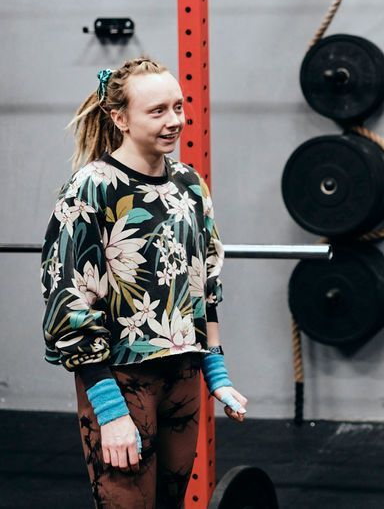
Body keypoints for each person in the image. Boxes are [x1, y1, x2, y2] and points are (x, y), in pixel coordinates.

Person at [40, 56, 248, 508]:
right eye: (157, 111)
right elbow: (67, 301)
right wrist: (110, 412)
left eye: (178, 106)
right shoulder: (91, 187)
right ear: (120, 118)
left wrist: (217, 371)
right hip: (120, 379)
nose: (175, 120)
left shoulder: (190, 185)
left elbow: (204, 285)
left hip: (183, 377)